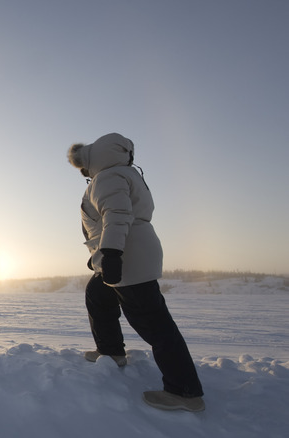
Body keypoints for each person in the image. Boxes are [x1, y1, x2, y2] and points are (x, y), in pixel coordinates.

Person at [67, 133, 205, 412]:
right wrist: (99, 254)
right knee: (97, 294)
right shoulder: (124, 173)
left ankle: (185, 392)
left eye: (84, 167)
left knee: (155, 324)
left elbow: (116, 215)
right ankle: (111, 351)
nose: (84, 172)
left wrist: (113, 254)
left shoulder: (107, 178)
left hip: (128, 257)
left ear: (93, 160)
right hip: (127, 252)